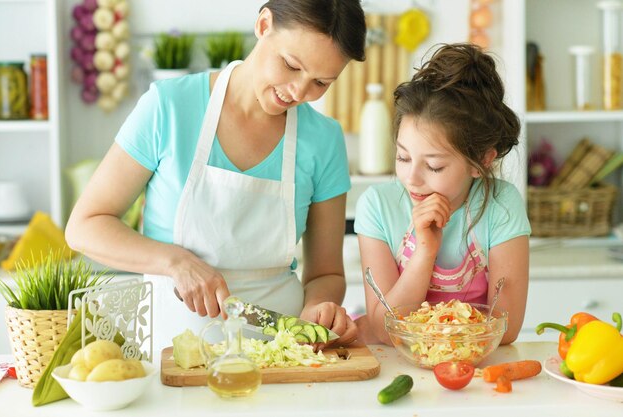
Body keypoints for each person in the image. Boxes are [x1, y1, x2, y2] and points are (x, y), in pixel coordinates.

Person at [65, 0, 366, 354]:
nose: (299, 92)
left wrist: (320, 309)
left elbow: (325, 275)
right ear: (264, 25)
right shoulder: (169, 107)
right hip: (174, 352)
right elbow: (85, 226)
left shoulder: (324, 139)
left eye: (320, 82)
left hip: (282, 357)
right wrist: (174, 261)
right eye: (291, 65)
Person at [353, 43, 530, 345]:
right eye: (403, 158)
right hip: (397, 367)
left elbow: (506, 329)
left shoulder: (501, 205)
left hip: (470, 373)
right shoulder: (377, 206)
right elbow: (384, 330)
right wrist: (425, 251)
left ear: (481, 161)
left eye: (434, 166)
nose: (411, 179)